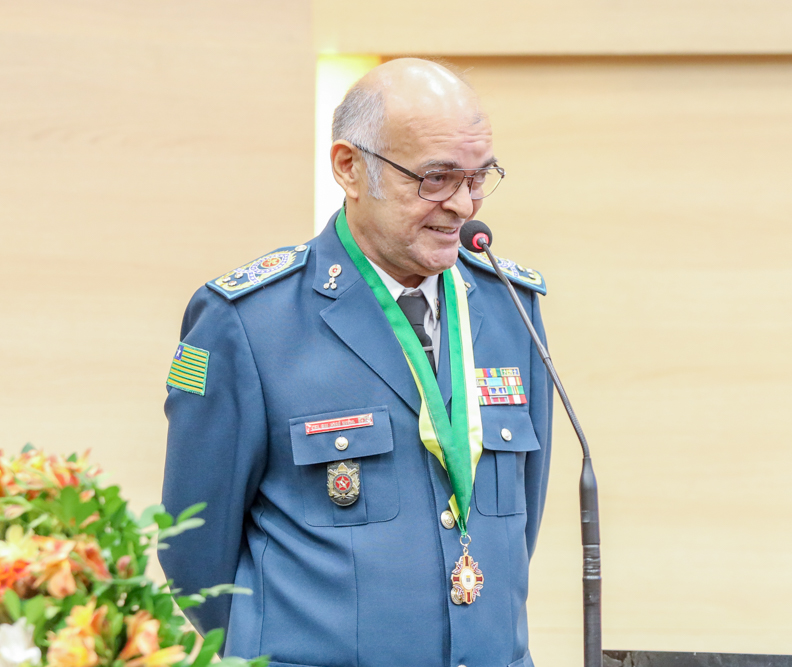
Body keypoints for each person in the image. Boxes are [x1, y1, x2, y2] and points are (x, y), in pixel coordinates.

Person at [160, 58, 553, 667]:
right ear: (350, 167)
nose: (462, 205)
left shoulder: (510, 307)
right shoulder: (248, 320)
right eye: (436, 178)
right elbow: (195, 556)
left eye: (479, 177)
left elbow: (516, 528)